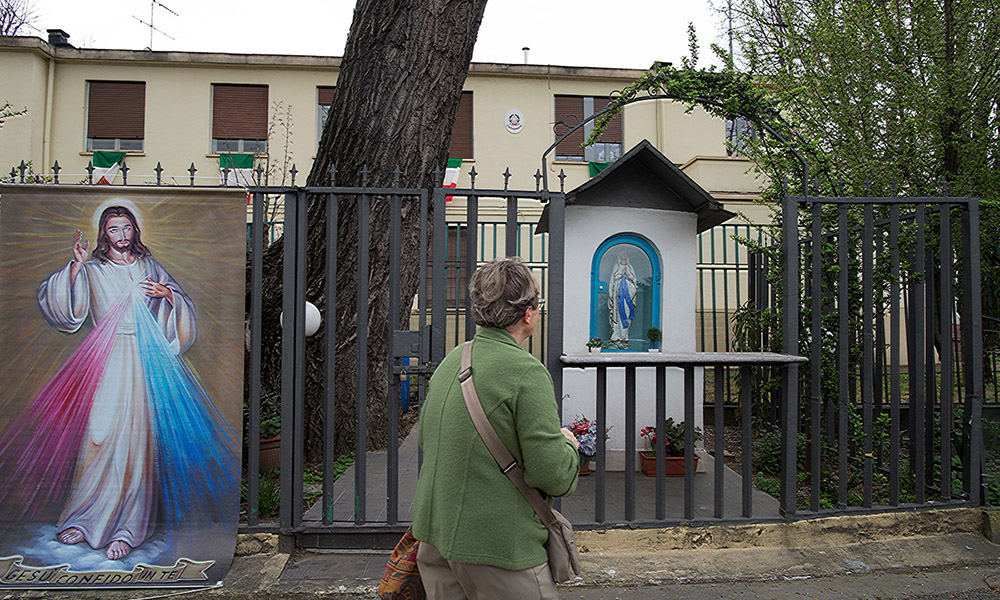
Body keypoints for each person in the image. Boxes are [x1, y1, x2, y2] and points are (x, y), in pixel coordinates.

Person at [0, 205, 237, 561]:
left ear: (135, 230)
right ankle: (85, 517)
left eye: (127, 228)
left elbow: (182, 304)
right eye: (114, 230)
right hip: (107, 358)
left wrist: (168, 296)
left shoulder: (147, 266)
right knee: (99, 436)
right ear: (104, 234)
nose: (122, 236)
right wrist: (77, 265)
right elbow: (66, 309)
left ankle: (128, 527)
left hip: (144, 360)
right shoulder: (94, 270)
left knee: (136, 444)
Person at [412, 257, 581, 600]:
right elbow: (553, 475)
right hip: (500, 549)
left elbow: (428, 438)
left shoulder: (455, 359)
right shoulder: (526, 372)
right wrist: (569, 446)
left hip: (437, 539)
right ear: (529, 313)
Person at [608, 247, 637, 342]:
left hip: (627, 295)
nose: (624, 255)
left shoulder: (630, 267)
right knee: (617, 314)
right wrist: (621, 275)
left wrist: (627, 275)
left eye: (625, 253)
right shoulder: (616, 266)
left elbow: (634, 281)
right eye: (622, 253)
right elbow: (613, 280)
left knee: (627, 313)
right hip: (618, 295)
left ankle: (624, 335)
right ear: (619, 255)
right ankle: (616, 335)